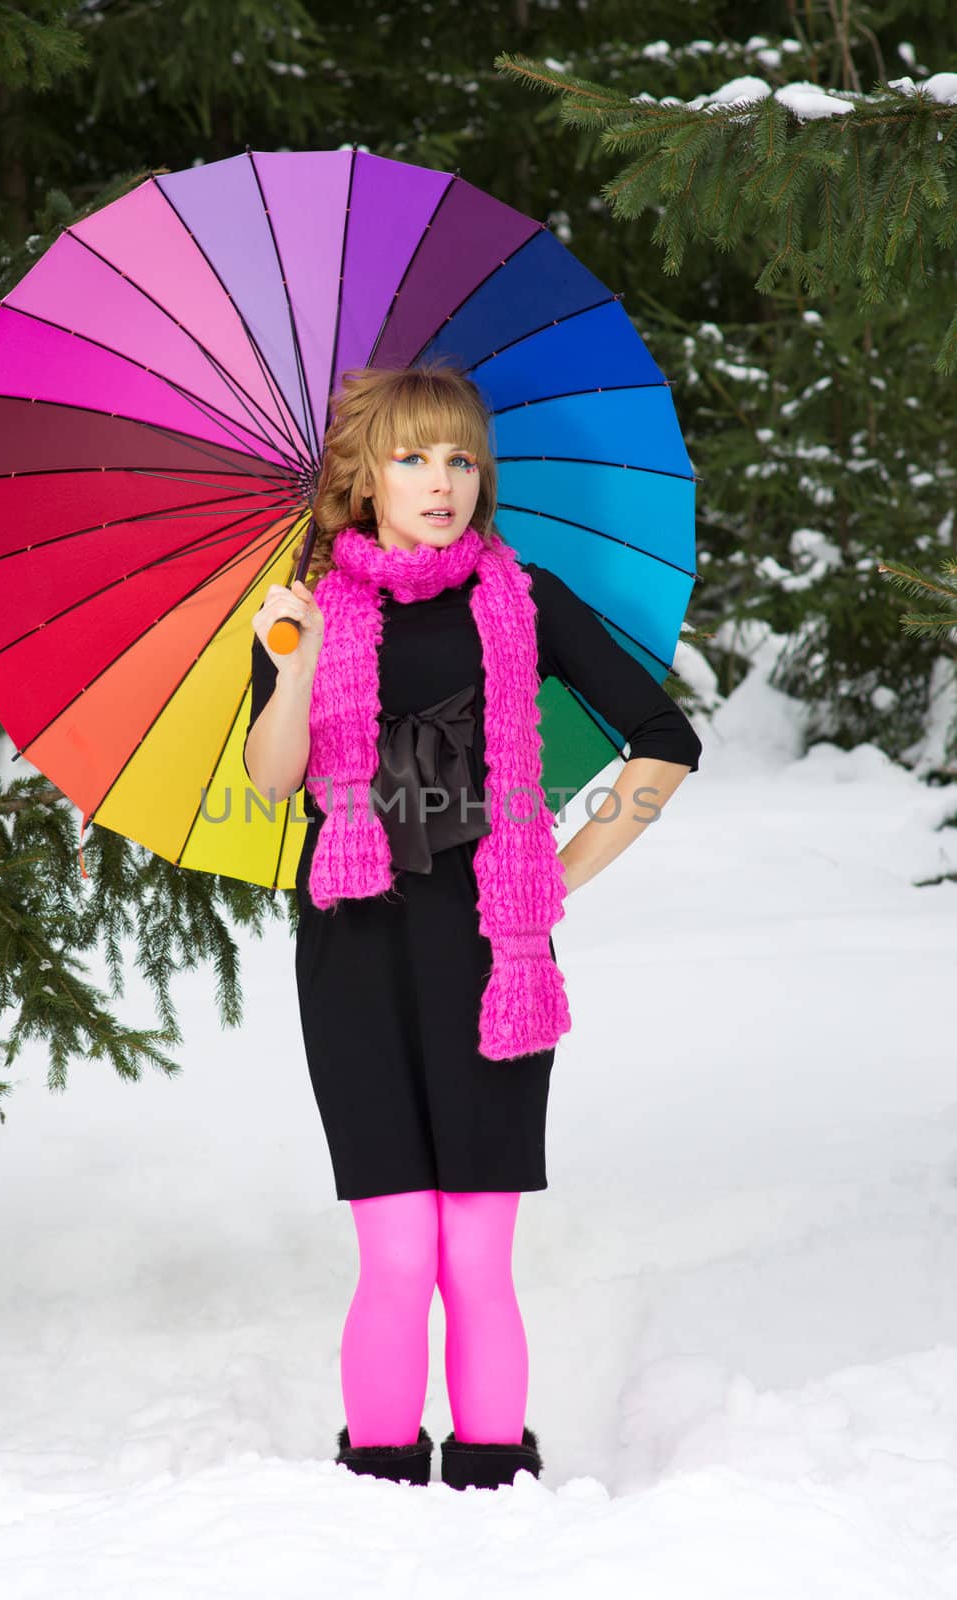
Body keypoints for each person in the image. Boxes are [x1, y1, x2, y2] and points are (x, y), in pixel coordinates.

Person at [243, 365, 702, 1492]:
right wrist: (291, 661)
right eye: (411, 458)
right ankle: (381, 1472)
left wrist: (561, 869)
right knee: (397, 1253)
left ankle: (495, 1470)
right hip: (354, 950)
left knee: (475, 1255)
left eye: (458, 459)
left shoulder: (525, 600)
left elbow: (665, 738)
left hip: (494, 949)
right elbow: (270, 780)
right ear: (360, 477)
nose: (441, 482)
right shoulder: (307, 613)